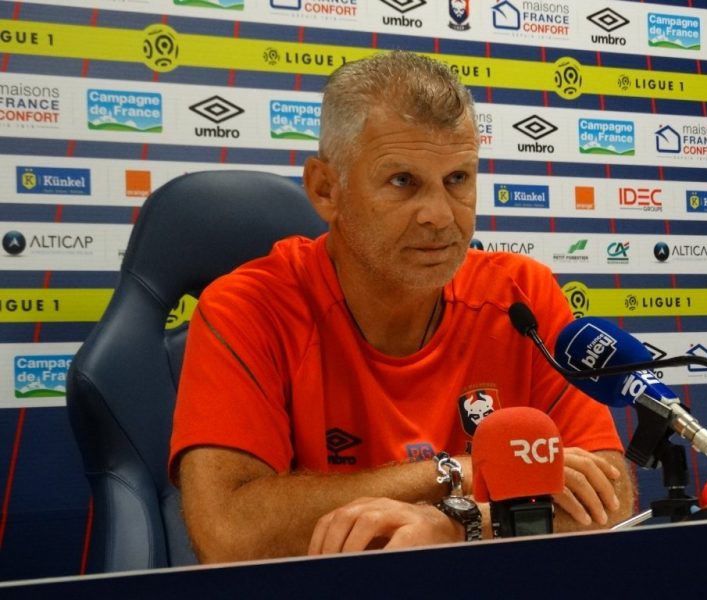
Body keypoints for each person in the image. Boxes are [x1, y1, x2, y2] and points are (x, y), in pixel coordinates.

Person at [170, 50, 633, 563]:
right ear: (327, 190)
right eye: (402, 182)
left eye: (457, 179)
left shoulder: (523, 297)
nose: (438, 215)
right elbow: (230, 534)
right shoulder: (248, 309)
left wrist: (459, 526)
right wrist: (470, 470)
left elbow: (607, 498)